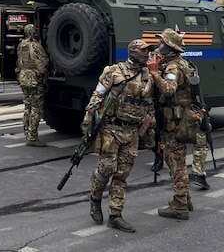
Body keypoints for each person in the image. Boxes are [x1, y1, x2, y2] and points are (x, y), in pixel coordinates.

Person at [83, 38, 158, 233]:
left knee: (122, 175)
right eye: (143, 51)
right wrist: (88, 120)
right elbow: (97, 95)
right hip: (110, 129)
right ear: (133, 52)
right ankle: (95, 197)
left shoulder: (148, 76)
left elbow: (148, 106)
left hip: (132, 132)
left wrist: (150, 132)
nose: (147, 54)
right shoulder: (113, 72)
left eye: (148, 51)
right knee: (107, 168)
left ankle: (115, 215)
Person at [153, 28, 202, 220]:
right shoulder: (183, 63)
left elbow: (168, 89)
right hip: (177, 120)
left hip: (174, 122)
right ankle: (185, 198)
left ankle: (180, 205)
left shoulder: (173, 67)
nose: (158, 46)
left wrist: (154, 73)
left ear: (169, 48)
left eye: (162, 44)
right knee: (176, 160)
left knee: (176, 163)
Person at [16, 24, 49, 147]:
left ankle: (26, 133)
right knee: (36, 108)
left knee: (27, 107)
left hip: (23, 77)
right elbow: (44, 61)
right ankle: (32, 137)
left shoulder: (21, 45)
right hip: (34, 79)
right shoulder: (36, 45)